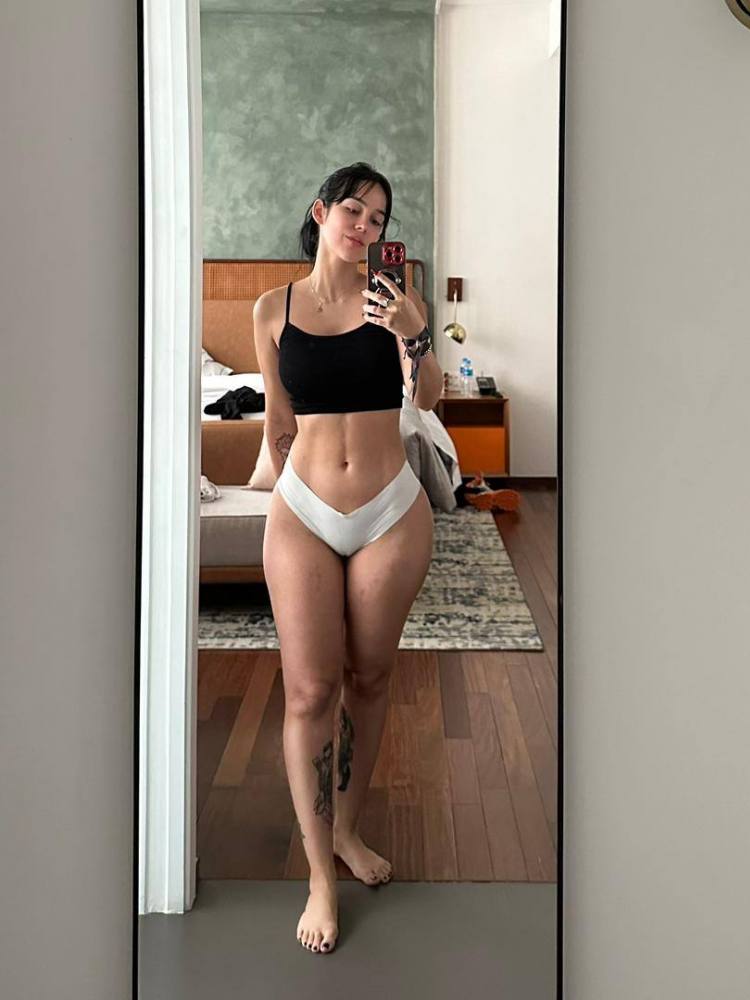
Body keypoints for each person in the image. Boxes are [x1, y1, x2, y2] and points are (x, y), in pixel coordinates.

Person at [253, 162, 443, 954]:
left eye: (379, 218)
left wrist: (414, 332)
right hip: (303, 509)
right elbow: (277, 418)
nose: (365, 227)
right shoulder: (272, 308)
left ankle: (347, 832)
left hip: (389, 510)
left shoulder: (397, 301)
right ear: (321, 212)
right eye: (354, 211)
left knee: (370, 678)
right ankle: (319, 878)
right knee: (308, 692)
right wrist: (277, 489)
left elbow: (427, 398)